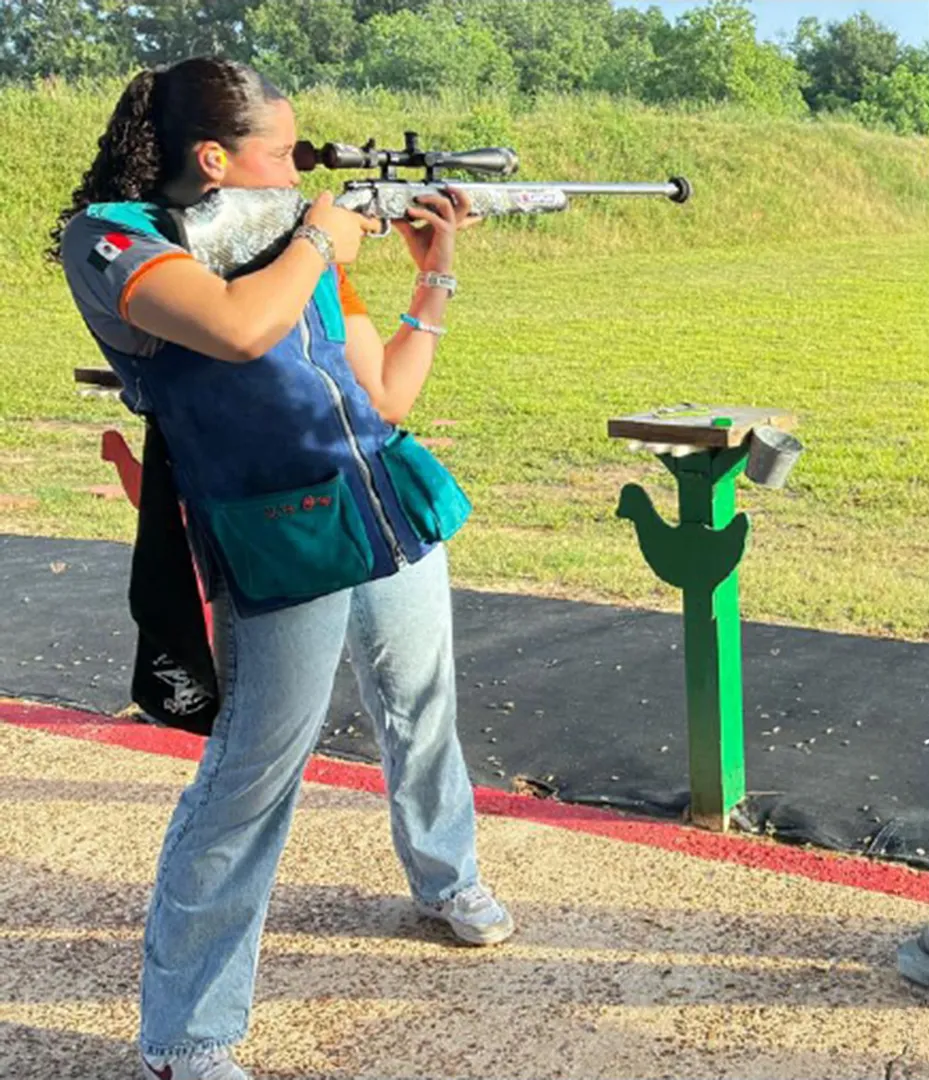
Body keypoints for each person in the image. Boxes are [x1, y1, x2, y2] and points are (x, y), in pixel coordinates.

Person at [49, 57, 513, 1080]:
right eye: (284, 150)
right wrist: (320, 232)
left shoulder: (287, 243)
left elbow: (384, 394)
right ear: (212, 158)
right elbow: (237, 325)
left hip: (383, 500)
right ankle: (185, 1038)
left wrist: (434, 271)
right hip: (275, 528)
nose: (301, 168)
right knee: (253, 774)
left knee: (421, 704)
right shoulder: (115, 238)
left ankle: (446, 879)